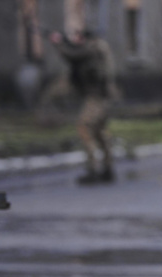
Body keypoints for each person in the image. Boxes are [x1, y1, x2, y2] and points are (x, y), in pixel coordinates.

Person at [48, 29, 118, 184]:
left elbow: (73, 55)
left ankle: (93, 169)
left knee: (84, 127)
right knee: (99, 132)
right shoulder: (98, 47)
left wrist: (58, 43)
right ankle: (108, 169)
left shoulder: (93, 47)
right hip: (103, 97)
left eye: (78, 38)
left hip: (98, 97)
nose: (76, 40)